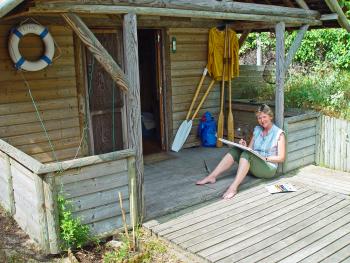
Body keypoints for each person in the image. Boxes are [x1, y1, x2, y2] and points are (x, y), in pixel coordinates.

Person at [196, 104, 286, 199]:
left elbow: (281, 158)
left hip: (268, 168)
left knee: (247, 154)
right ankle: (212, 176)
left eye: (264, 117)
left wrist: (265, 158)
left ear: (270, 116)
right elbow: (250, 149)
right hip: (255, 164)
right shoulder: (257, 130)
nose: (262, 120)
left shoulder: (279, 134)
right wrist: (244, 146)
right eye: (259, 118)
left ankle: (233, 187)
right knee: (236, 150)